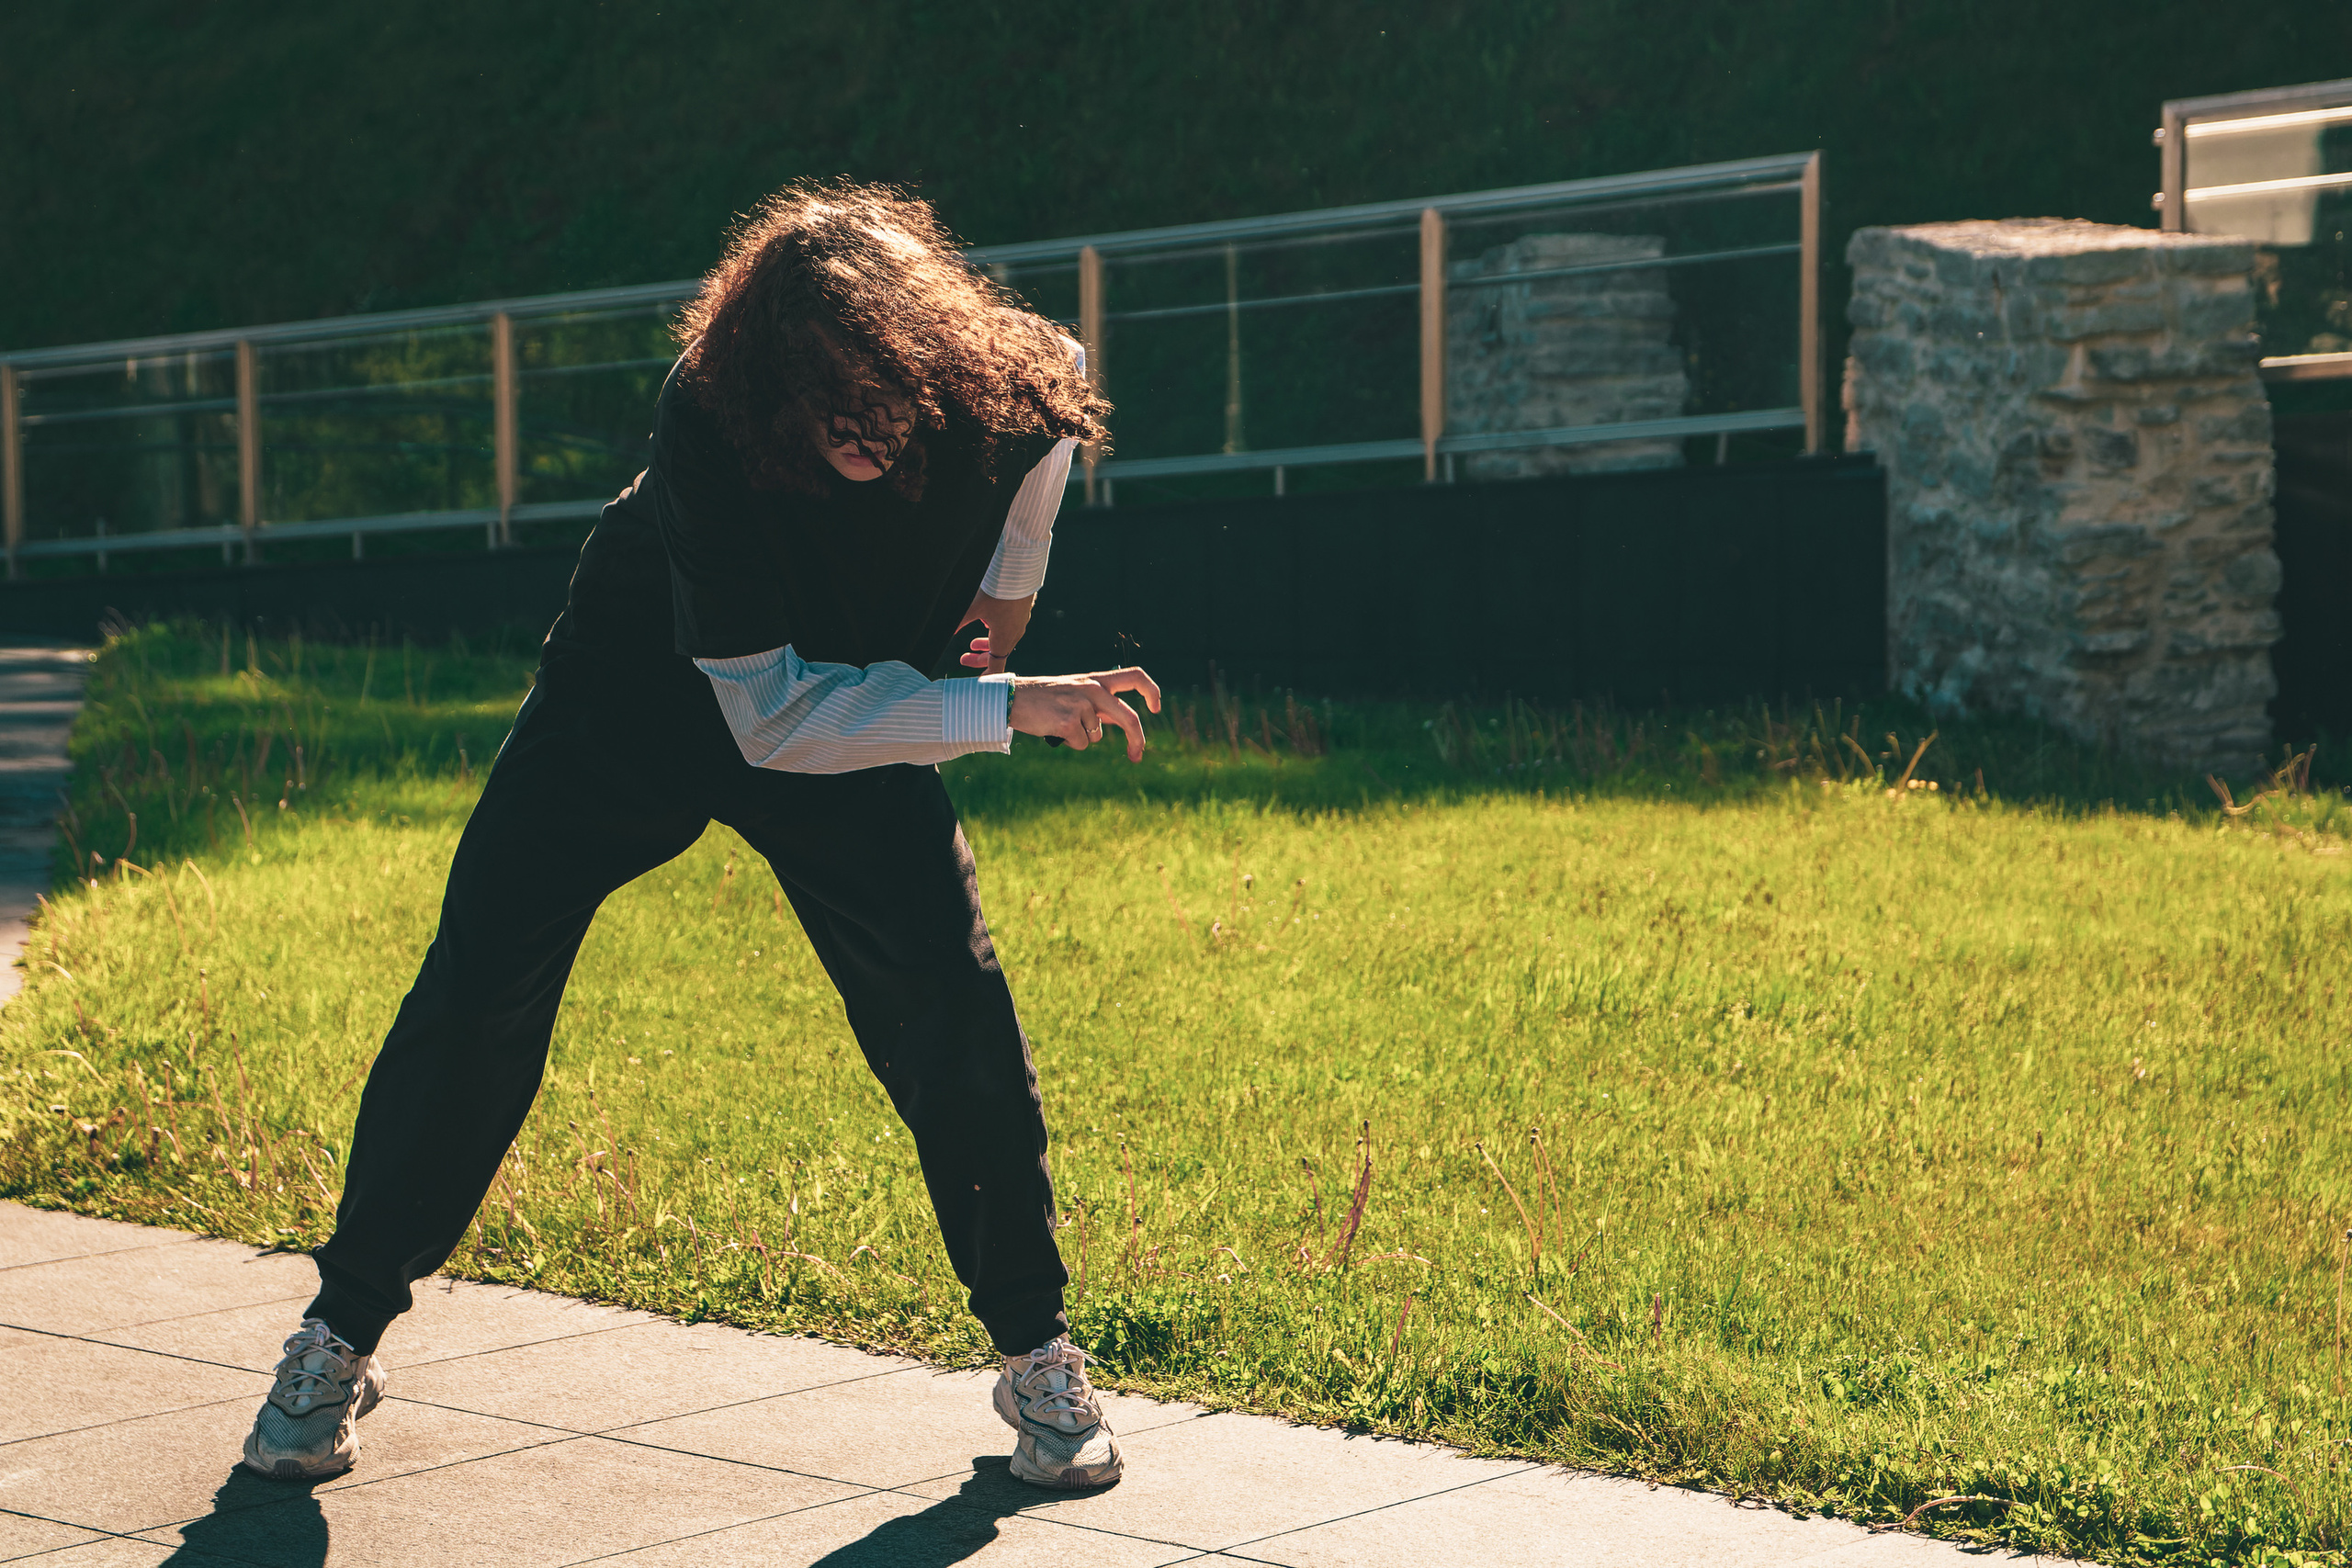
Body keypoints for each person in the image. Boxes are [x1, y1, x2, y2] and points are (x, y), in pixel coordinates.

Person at [240, 180, 1157, 1491]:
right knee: (482, 980)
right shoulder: (707, 420)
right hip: (648, 697)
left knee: (946, 998)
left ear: (931, 362)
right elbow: (770, 719)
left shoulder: (1010, 385)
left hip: (855, 697)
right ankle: (338, 1332)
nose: (857, 432)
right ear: (763, 388)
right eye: (821, 408)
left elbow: (1057, 418)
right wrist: (1006, 703)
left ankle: (1040, 1353)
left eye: (880, 401)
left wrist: (1009, 595)